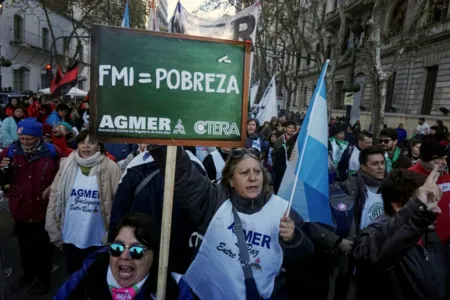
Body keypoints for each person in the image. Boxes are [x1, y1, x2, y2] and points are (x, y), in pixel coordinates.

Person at [148, 146, 314, 299]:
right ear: (231, 181)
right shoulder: (214, 200)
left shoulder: (283, 210)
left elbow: (306, 256)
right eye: (244, 173)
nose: (252, 178)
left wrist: (293, 239)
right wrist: (161, 144)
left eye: (257, 172)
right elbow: (183, 174)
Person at [353, 168, 449, 300]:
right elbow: (369, 258)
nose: (437, 210)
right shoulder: (375, 236)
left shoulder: (429, 234)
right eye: (427, 202)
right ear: (397, 205)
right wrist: (417, 210)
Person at [46, 130, 122, 275]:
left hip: (97, 238)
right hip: (70, 235)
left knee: (95, 278)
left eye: (91, 142)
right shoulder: (66, 165)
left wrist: (113, 234)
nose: (86, 146)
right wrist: (52, 228)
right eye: (82, 142)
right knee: (74, 277)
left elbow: (119, 203)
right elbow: (54, 196)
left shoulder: (111, 168)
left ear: (99, 146)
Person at [0, 118, 62, 294]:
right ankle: (28, 273)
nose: (25, 142)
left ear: (39, 137)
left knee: (43, 247)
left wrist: (53, 186)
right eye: (22, 138)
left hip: (43, 209)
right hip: (20, 209)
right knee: (24, 245)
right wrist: (3, 171)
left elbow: (63, 175)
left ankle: (44, 278)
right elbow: (3, 181)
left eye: (29, 138)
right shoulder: (9, 152)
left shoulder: (52, 152)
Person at [54, 213, 180, 299]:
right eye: (117, 248)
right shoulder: (88, 272)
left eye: (136, 250)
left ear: (155, 257)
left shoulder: (174, 291)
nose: (124, 256)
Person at [337, 146, 386, 300]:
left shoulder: (390, 186)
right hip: (356, 250)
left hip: (381, 250)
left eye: (383, 163)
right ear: (363, 167)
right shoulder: (349, 186)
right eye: (375, 164)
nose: (381, 168)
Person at [408, 140, 450, 243]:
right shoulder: (409, 176)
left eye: (445, 158)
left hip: (445, 237)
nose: (444, 162)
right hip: (423, 239)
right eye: (439, 159)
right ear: (425, 159)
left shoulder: (446, 176)